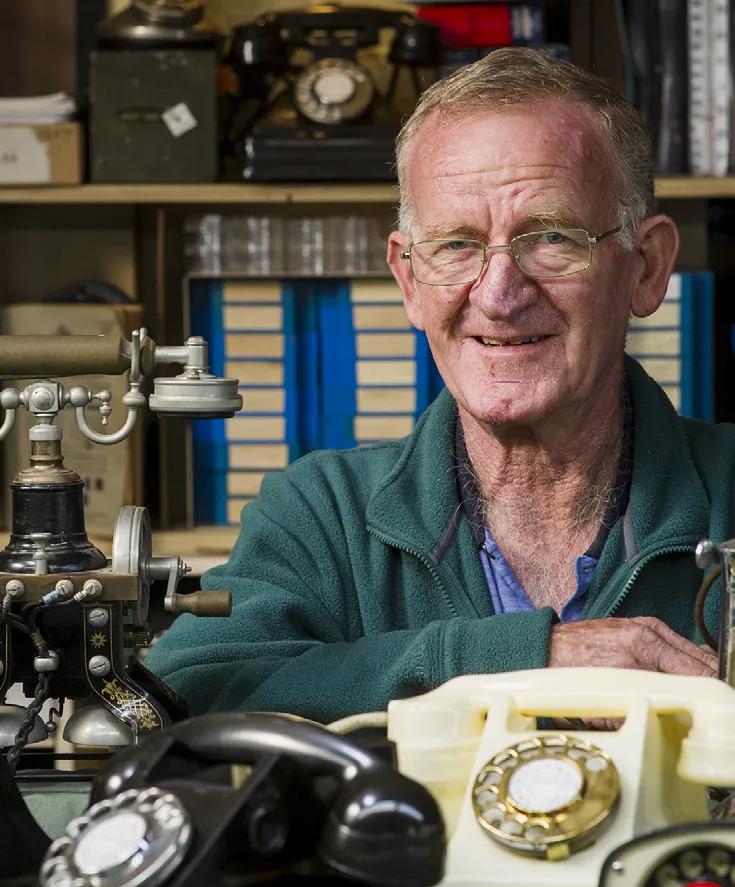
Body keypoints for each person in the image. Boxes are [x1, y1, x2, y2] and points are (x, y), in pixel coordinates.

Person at [146, 48, 729, 723]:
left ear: (646, 269)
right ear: (408, 280)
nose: (499, 293)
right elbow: (181, 696)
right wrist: (529, 660)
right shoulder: (321, 513)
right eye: (456, 245)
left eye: (550, 238)